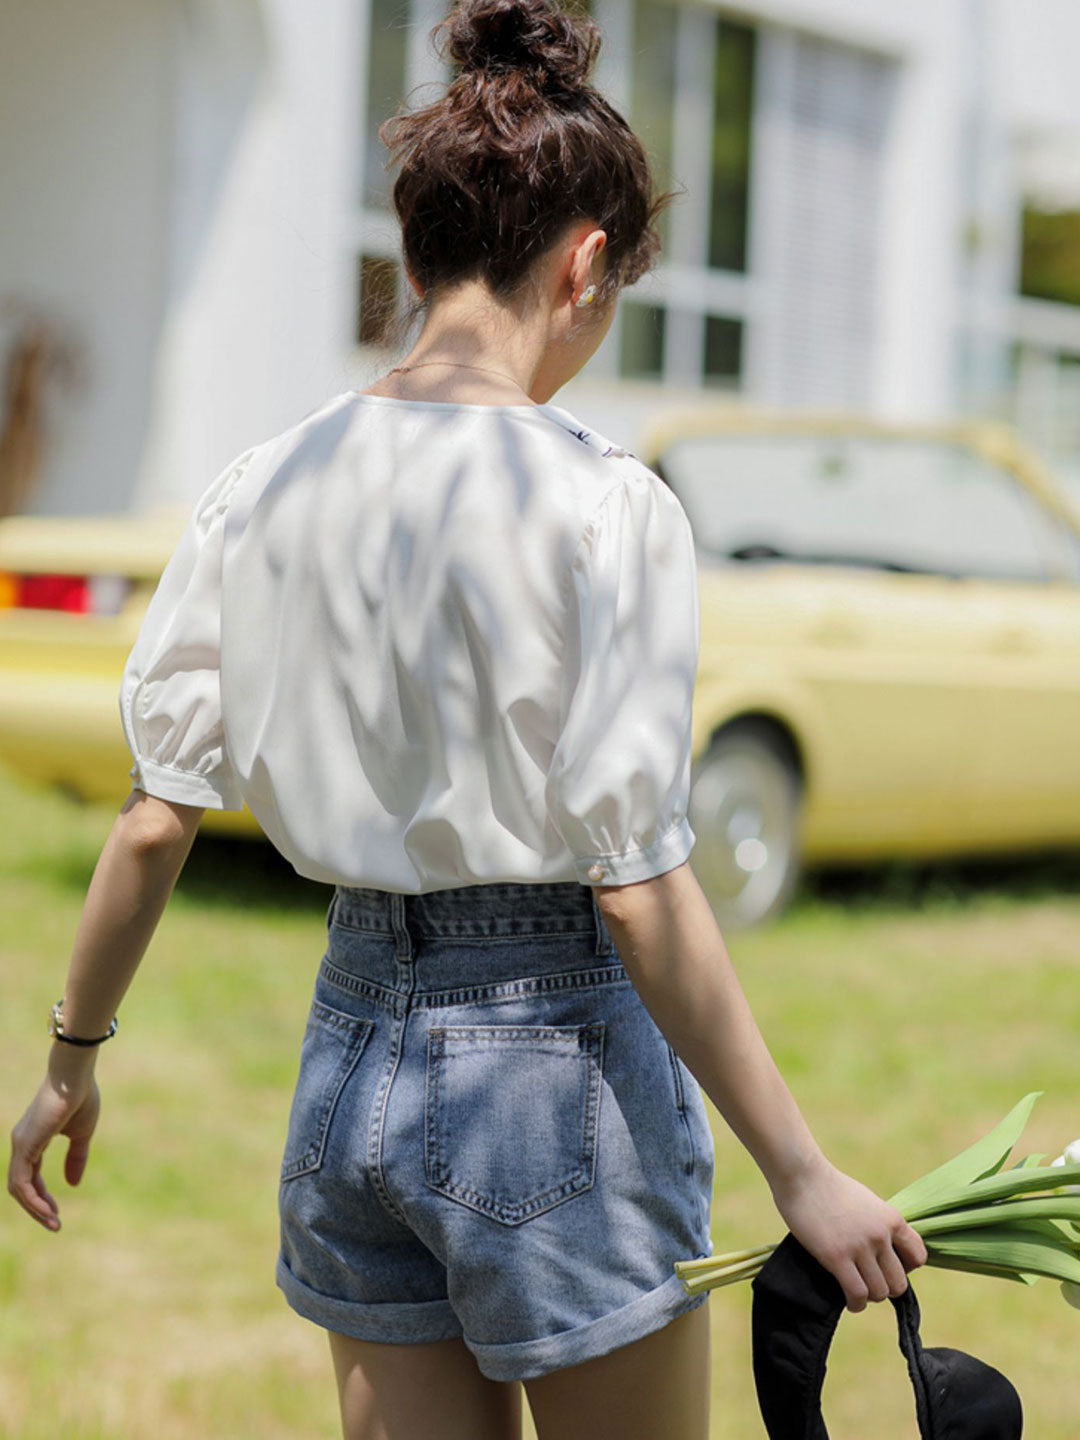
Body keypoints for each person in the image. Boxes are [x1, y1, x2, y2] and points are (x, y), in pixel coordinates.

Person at [6, 0, 927, 1436]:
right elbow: (635, 889)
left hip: (348, 1054)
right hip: (545, 1068)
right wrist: (802, 1173)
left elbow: (150, 819)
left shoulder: (263, 485)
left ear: (418, 255)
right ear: (587, 263)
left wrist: (72, 1063)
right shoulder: (602, 502)